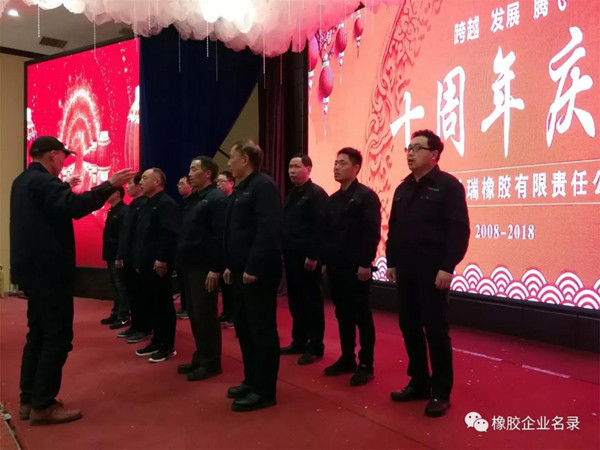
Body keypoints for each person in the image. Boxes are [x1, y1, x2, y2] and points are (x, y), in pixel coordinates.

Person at [10, 136, 134, 425]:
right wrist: (109, 184)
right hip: (50, 273)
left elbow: (52, 206)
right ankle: (43, 404)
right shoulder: (44, 182)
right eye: (63, 156)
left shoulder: (23, 181)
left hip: (32, 273)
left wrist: (64, 187)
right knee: (57, 337)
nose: (64, 162)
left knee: (37, 335)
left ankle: (29, 399)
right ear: (53, 155)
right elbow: (74, 207)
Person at [386, 129, 470, 417]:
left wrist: (448, 267)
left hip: (433, 272)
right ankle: (419, 382)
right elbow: (394, 229)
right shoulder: (403, 188)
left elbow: (458, 230)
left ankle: (441, 391)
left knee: (435, 330)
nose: (410, 153)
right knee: (409, 327)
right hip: (405, 270)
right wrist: (391, 261)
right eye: (408, 148)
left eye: (417, 148)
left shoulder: (448, 186)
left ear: (434, 155)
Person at [223, 139, 282, 412]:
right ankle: (251, 380)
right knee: (244, 329)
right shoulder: (241, 188)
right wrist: (231, 265)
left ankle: (264, 390)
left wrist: (253, 267)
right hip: (240, 271)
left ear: (245, 159)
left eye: (232, 157)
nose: (228, 162)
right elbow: (236, 232)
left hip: (257, 273)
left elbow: (267, 231)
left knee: (261, 330)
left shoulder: (263, 186)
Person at [321, 147, 381, 386]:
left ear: (356, 168)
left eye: (342, 163)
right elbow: (327, 234)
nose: (336, 167)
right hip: (336, 267)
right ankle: (347, 357)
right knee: (342, 314)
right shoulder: (332, 200)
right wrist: (325, 261)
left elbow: (371, 233)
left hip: (357, 268)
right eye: (335, 163)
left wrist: (365, 263)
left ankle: (366, 364)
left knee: (361, 315)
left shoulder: (366, 197)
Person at [176, 157, 227, 381]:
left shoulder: (216, 198)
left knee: (205, 315)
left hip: (204, 267)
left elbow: (219, 235)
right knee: (195, 314)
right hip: (190, 265)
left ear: (208, 173)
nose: (190, 173)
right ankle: (201, 355)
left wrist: (215, 268)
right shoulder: (195, 198)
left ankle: (211, 362)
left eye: (194, 169)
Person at [280, 154, 328, 365]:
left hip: (308, 258)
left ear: (308, 169)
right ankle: (298, 340)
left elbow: (320, 227)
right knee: (295, 300)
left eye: (296, 166)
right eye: (290, 166)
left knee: (311, 301)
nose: (291, 171)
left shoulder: (316, 194)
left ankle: (315, 345)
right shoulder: (292, 193)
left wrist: (313, 255)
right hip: (291, 255)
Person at [130, 168, 181, 363]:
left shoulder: (166, 203)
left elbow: (169, 234)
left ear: (157, 181)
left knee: (163, 305)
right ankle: (157, 340)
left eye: (145, 178)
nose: (140, 182)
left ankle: (167, 346)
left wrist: (162, 258)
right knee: (151, 304)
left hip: (158, 264)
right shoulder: (146, 204)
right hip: (145, 263)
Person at [115, 173, 150, 343]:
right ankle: (136, 325)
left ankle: (143, 328)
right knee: (132, 294)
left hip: (139, 258)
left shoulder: (144, 205)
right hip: (129, 257)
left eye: (130, 183)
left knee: (141, 295)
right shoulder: (133, 205)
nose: (127, 187)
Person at [100, 186, 131, 330]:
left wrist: (120, 255)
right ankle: (116, 312)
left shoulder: (123, 211)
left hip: (117, 255)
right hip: (110, 253)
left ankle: (124, 315)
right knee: (114, 284)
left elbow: (123, 236)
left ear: (118, 194)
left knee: (121, 285)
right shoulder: (112, 210)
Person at [216, 170, 235, 326]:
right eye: (217, 182)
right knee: (224, 284)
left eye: (222, 181)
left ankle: (233, 315)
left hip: (232, 248)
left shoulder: (234, 200)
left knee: (231, 285)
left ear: (231, 183)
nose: (218, 184)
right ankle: (227, 312)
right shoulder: (219, 201)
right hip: (221, 247)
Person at [175, 176, 194, 320]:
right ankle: (184, 305)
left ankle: (189, 307)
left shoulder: (194, 203)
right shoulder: (183, 203)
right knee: (182, 280)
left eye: (182, 183)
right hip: (181, 248)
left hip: (190, 250)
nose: (178, 186)